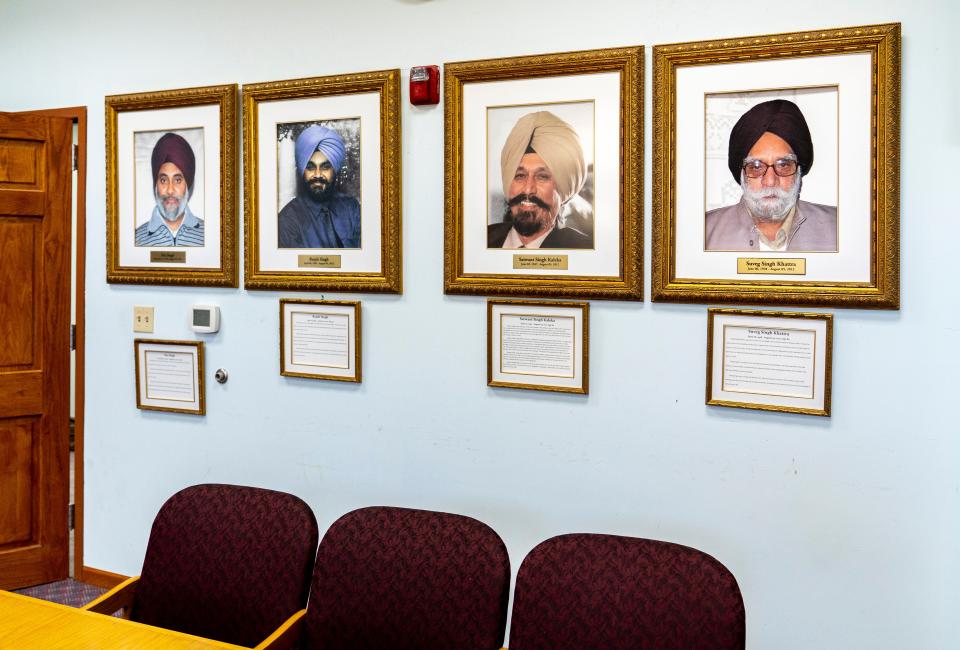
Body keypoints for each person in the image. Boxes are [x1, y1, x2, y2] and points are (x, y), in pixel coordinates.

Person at [705, 99, 837, 252]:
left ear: (799, 171)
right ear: (742, 173)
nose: (770, 181)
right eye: (756, 167)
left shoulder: (839, 229)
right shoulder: (705, 232)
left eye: (783, 165)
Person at [488, 111, 591, 249]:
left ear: (563, 188)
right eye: (520, 175)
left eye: (542, 177)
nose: (528, 189)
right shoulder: (480, 240)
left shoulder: (582, 249)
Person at [278, 125, 360, 249]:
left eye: (325, 167)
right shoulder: (288, 220)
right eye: (310, 167)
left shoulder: (351, 209)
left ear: (334, 170)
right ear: (302, 171)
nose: (317, 174)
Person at [135, 132, 204, 247]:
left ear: (188, 184)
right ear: (155, 185)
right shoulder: (137, 239)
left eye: (177, 180)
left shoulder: (209, 236)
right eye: (163, 180)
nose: (170, 190)